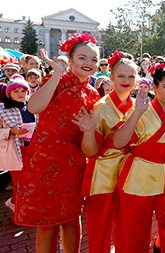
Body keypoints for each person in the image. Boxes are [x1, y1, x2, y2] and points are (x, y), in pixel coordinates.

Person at [14, 33, 101, 252]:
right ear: (70, 60)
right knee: (46, 223)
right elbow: (33, 107)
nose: (88, 64)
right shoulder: (56, 81)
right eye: (82, 58)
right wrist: (57, 74)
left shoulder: (93, 95)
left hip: (73, 164)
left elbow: (89, 138)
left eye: (93, 60)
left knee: (71, 218)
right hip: (44, 160)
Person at [112, 62, 165, 252]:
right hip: (138, 174)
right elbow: (118, 142)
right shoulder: (140, 111)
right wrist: (137, 112)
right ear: (155, 87)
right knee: (133, 229)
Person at [73, 51, 136, 253]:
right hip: (103, 173)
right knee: (99, 229)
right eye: (121, 76)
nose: (126, 81)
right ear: (111, 77)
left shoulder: (138, 106)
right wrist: (89, 131)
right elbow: (90, 151)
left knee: (127, 227)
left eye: (131, 76)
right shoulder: (101, 108)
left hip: (129, 173)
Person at [0, 75, 35, 213]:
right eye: (16, 91)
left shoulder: (32, 106)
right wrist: (11, 131)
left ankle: (17, 204)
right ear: (9, 93)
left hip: (33, 149)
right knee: (20, 183)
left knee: (33, 182)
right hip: (15, 150)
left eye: (23, 90)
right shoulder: (2, 109)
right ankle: (19, 212)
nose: (20, 94)